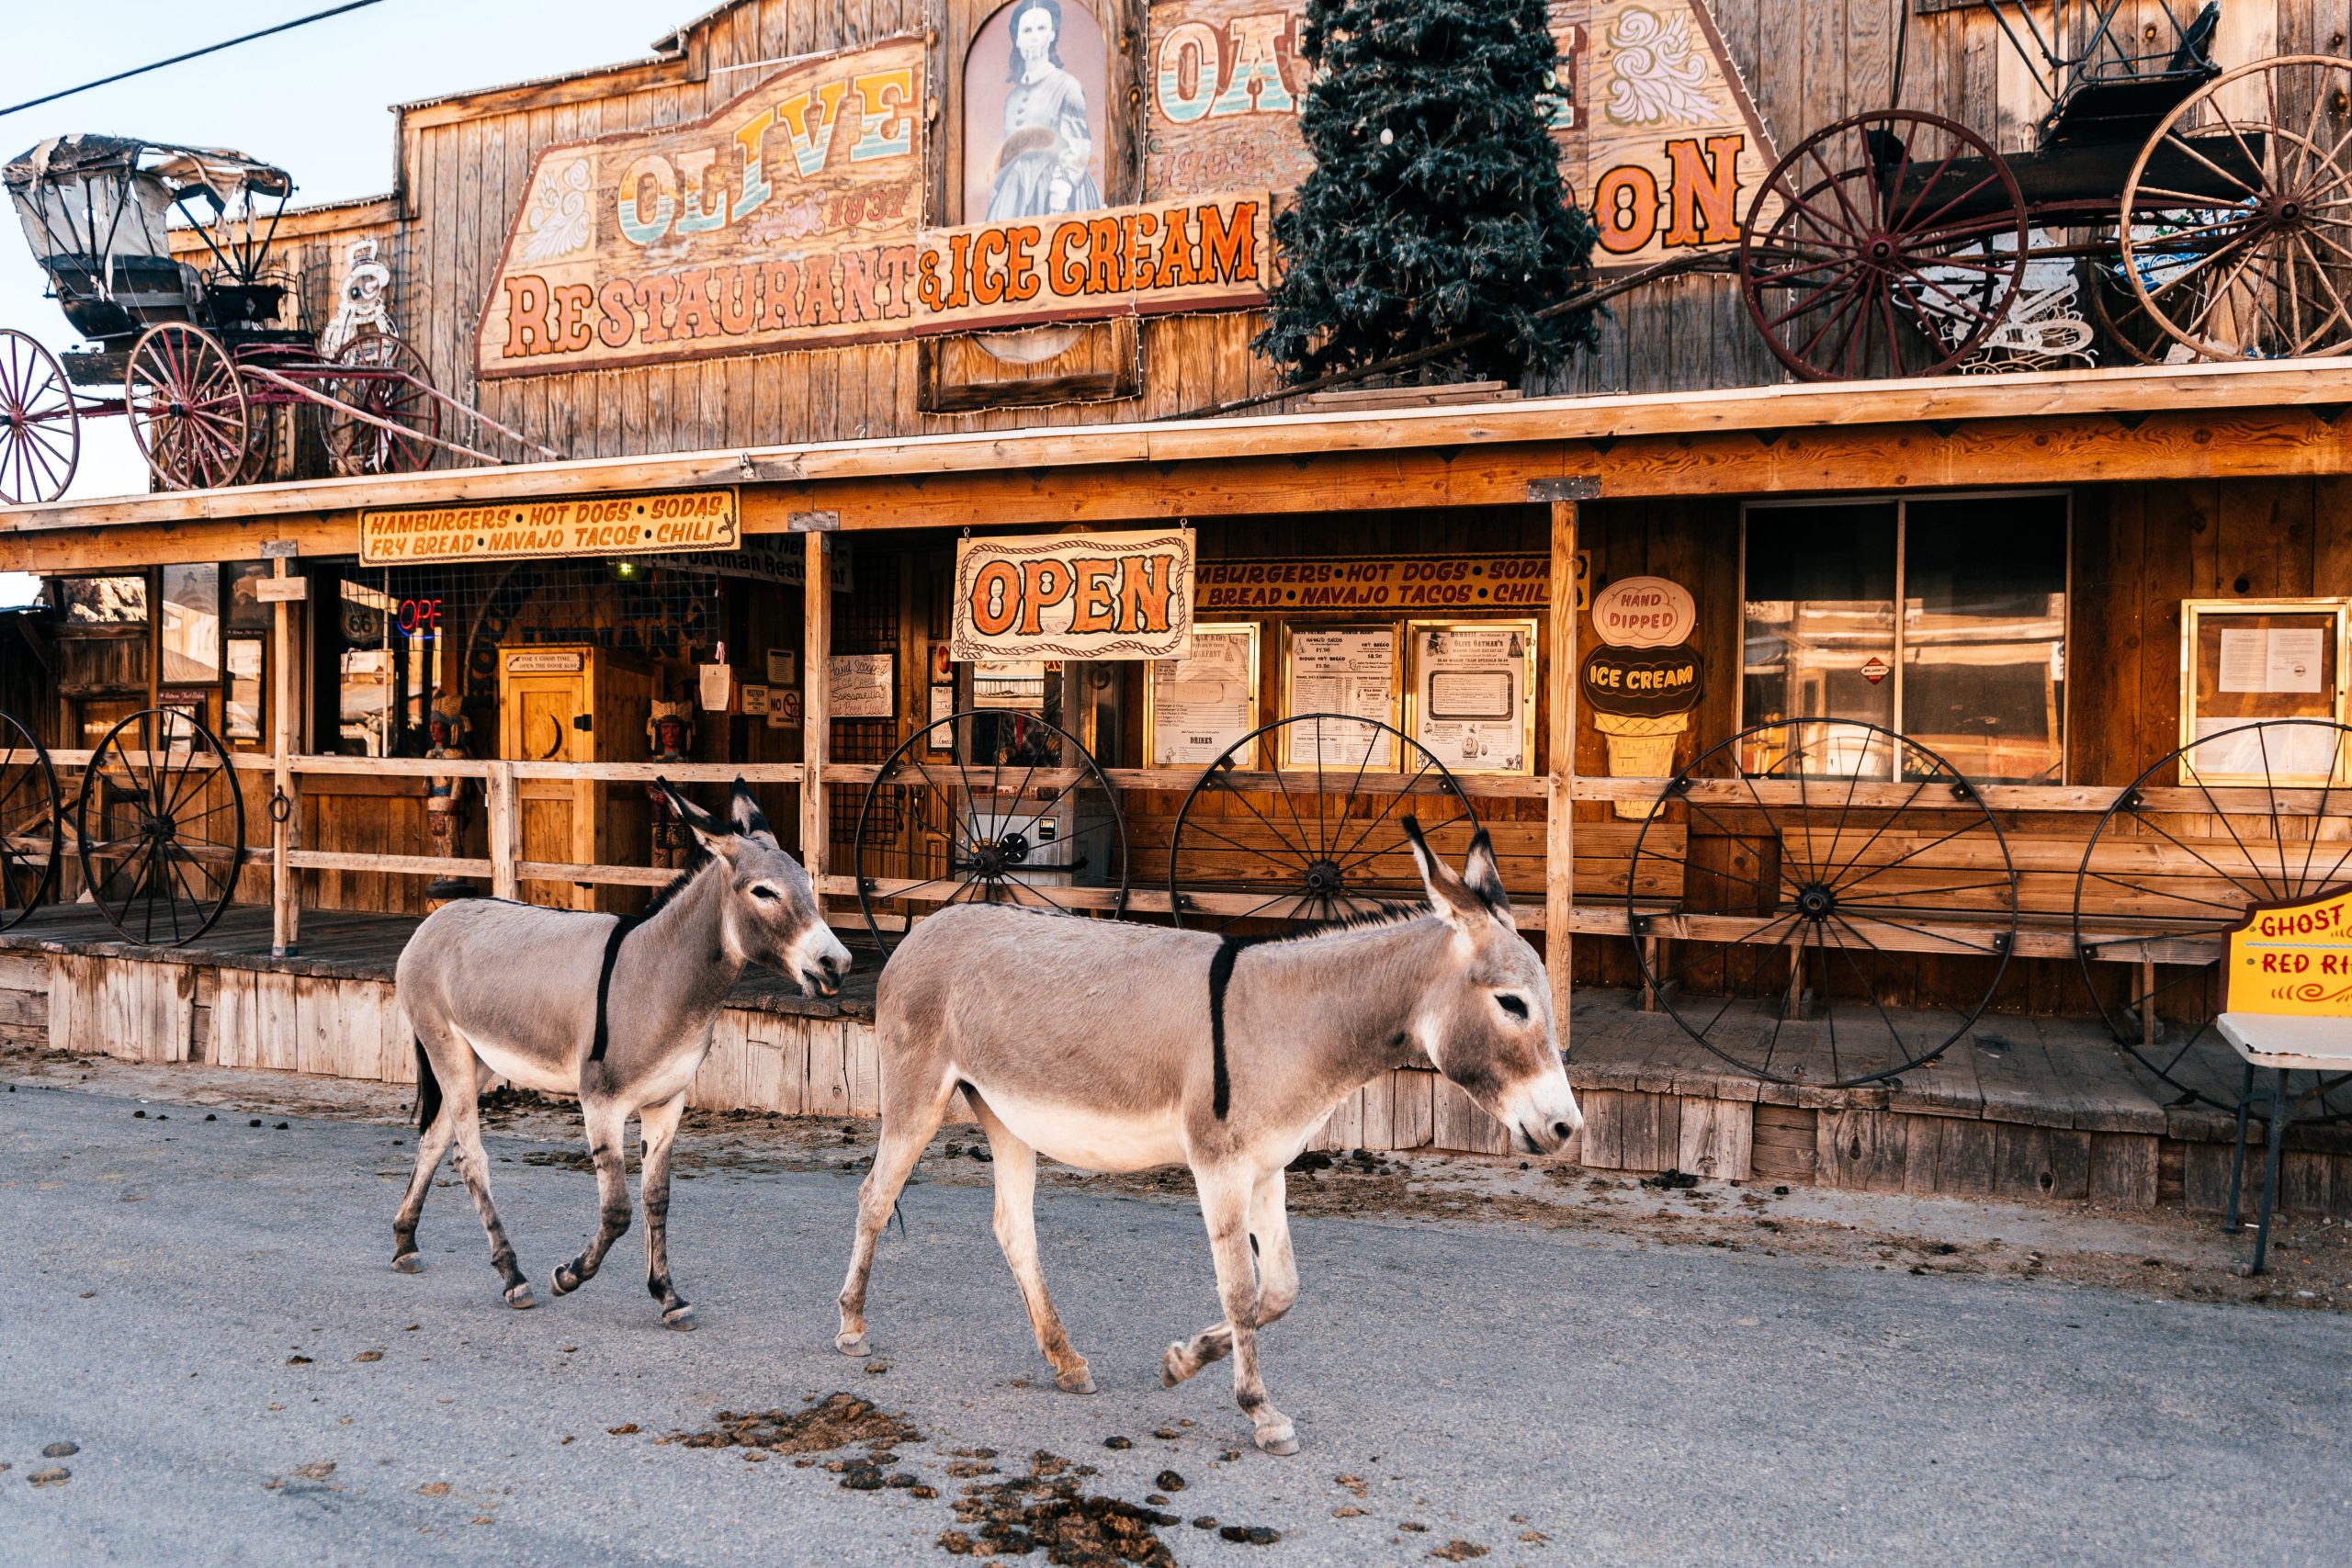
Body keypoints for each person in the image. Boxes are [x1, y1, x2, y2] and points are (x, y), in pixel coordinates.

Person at [984, 0, 1102, 220]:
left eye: (1041, 28)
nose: (1035, 36)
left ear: (1052, 35)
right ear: (1017, 39)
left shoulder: (1068, 86)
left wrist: (1061, 188)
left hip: (1053, 188)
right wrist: (999, 190)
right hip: (1016, 190)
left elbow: (1078, 145)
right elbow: (1008, 152)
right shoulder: (1012, 99)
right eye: (1027, 30)